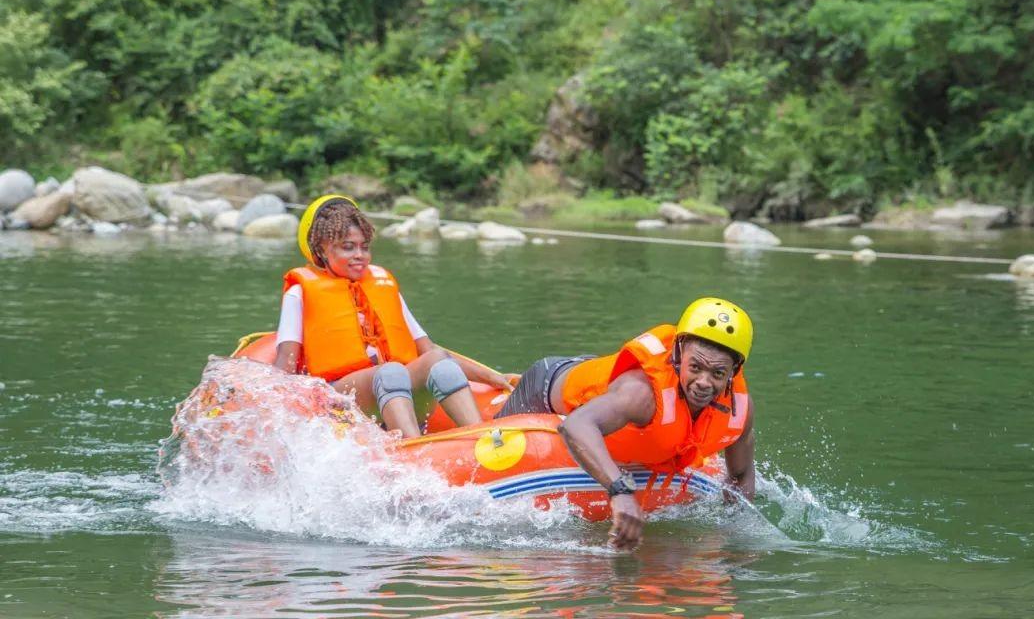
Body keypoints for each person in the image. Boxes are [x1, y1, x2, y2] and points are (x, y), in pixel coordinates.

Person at [495, 297, 756, 549]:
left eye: (718, 373)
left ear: (734, 372)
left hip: (603, 383)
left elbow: (741, 475)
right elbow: (575, 425)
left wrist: (733, 535)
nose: (703, 382)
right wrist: (619, 491)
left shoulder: (738, 410)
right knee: (491, 442)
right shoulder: (642, 395)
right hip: (547, 385)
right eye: (696, 367)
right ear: (678, 354)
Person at [273, 194, 513, 438]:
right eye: (348, 247)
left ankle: (481, 437)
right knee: (391, 372)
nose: (360, 255)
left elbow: (427, 349)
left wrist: (492, 376)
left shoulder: (383, 285)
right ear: (322, 249)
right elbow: (286, 364)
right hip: (341, 397)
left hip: (392, 386)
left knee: (436, 359)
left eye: (364, 247)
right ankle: (412, 447)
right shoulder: (300, 292)